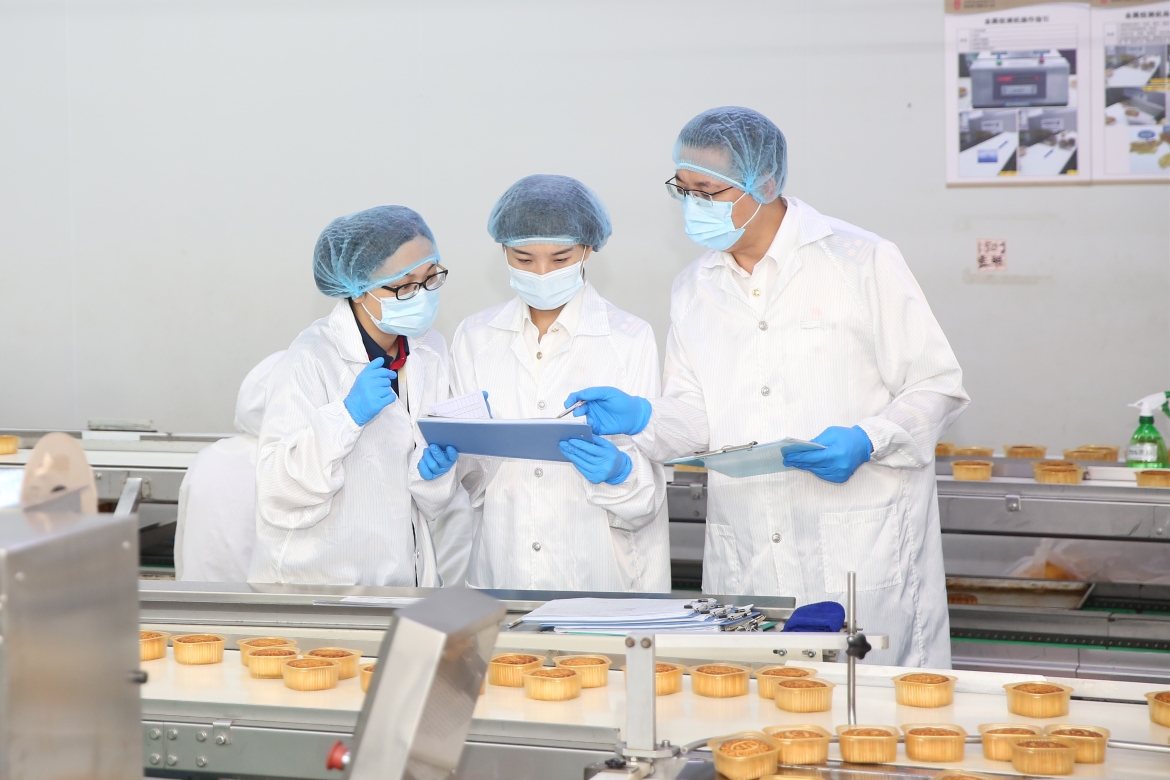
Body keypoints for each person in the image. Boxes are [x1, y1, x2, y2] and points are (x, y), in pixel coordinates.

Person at [567, 108, 969, 667]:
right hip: (748, 547)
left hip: (860, 542)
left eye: (708, 191)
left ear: (766, 184)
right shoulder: (694, 288)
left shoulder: (860, 260)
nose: (692, 205)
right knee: (754, 702)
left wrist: (870, 438)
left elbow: (936, 384)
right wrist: (644, 416)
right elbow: (697, 417)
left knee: (868, 703)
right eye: (682, 189)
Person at [416, 175, 670, 592]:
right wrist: (448, 464)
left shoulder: (629, 338)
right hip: (503, 565)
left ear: (588, 248)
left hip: (598, 571)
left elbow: (647, 490)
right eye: (524, 258)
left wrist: (620, 472)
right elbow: (473, 480)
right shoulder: (476, 337)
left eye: (560, 258)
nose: (542, 272)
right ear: (503, 250)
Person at [249, 205, 469, 586]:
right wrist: (346, 417)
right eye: (405, 285)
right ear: (359, 288)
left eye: (430, 277)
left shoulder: (429, 352)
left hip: (399, 579)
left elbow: (428, 503)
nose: (421, 295)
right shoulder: (311, 357)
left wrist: (432, 474)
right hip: (316, 582)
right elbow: (276, 488)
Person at [175, 351, 284, 581]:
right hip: (255, 603)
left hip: (194, 600)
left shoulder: (207, 458)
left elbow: (183, 553)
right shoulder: (291, 466)